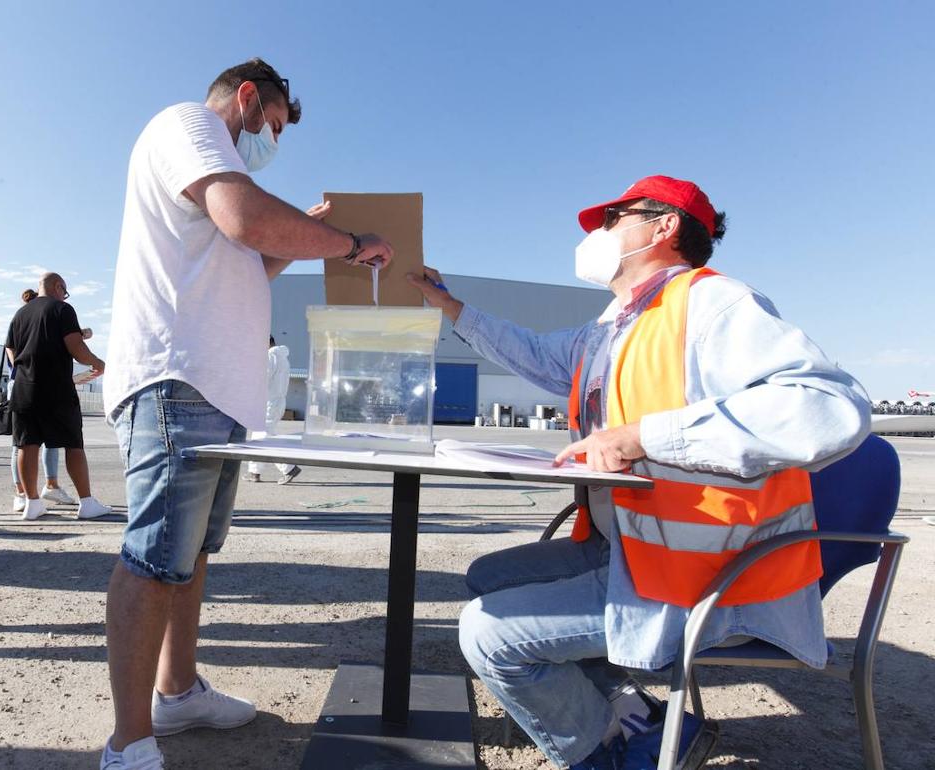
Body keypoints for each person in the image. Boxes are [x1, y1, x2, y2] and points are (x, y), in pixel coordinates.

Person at [407, 175, 872, 769]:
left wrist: (645, 436)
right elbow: (538, 354)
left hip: (707, 575)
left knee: (486, 632)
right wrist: (452, 308)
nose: (598, 232)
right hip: (634, 549)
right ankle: (636, 716)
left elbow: (828, 405)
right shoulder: (615, 326)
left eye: (612, 218)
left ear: (663, 225)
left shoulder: (714, 304)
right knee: (489, 576)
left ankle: (614, 754)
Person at [100, 57, 394, 769]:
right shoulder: (190, 124)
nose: (272, 141)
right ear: (248, 97)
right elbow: (245, 217)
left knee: (190, 555)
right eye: (273, 126)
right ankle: (128, 743)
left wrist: (300, 238)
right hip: (179, 378)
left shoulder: (214, 168)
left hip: (216, 389)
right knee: (153, 556)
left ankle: (177, 692)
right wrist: (351, 245)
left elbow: (243, 255)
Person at [4, 271, 109, 521]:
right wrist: (97, 363)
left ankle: (32, 502)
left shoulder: (20, 314)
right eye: (64, 290)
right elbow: (75, 346)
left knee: (26, 444)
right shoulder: (62, 309)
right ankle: (86, 502)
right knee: (73, 444)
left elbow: (11, 348)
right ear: (58, 286)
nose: (64, 295)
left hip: (23, 387)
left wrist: (25, 367)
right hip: (56, 387)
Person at [7, 288, 72, 511]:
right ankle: (23, 492)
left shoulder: (23, 317)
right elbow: (11, 349)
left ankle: (38, 490)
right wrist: (27, 369)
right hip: (24, 384)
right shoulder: (24, 317)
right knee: (23, 442)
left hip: (29, 383)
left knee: (32, 440)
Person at [242, 336, 299, 484]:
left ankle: (289, 468)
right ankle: (254, 472)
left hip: (268, 403)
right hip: (276, 401)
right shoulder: (282, 357)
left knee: (263, 438)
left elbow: (262, 379)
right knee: (259, 437)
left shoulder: (270, 356)